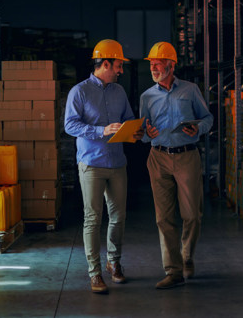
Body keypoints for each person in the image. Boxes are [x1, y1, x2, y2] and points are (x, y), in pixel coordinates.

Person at [64, 39, 144, 294]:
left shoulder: (119, 92)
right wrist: (101, 130)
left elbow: (128, 120)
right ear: (105, 63)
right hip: (91, 163)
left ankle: (114, 262)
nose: (121, 70)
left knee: (118, 217)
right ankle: (95, 273)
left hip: (117, 162)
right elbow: (70, 125)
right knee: (92, 218)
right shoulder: (79, 91)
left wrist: (135, 132)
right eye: (118, 65)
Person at [140, 42, 213, 289]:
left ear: (171, 65)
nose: (153, 67)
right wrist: (146, 133)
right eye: (151, 64)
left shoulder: (191, 90)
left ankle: (187, 256)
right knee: (164, 218)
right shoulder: (146, 96)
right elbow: (142, 133)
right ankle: (173, 270)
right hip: (158, 157)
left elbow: (208, 117)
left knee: (192, 214)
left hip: (186, 156)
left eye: (157, 63)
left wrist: (198, 128)